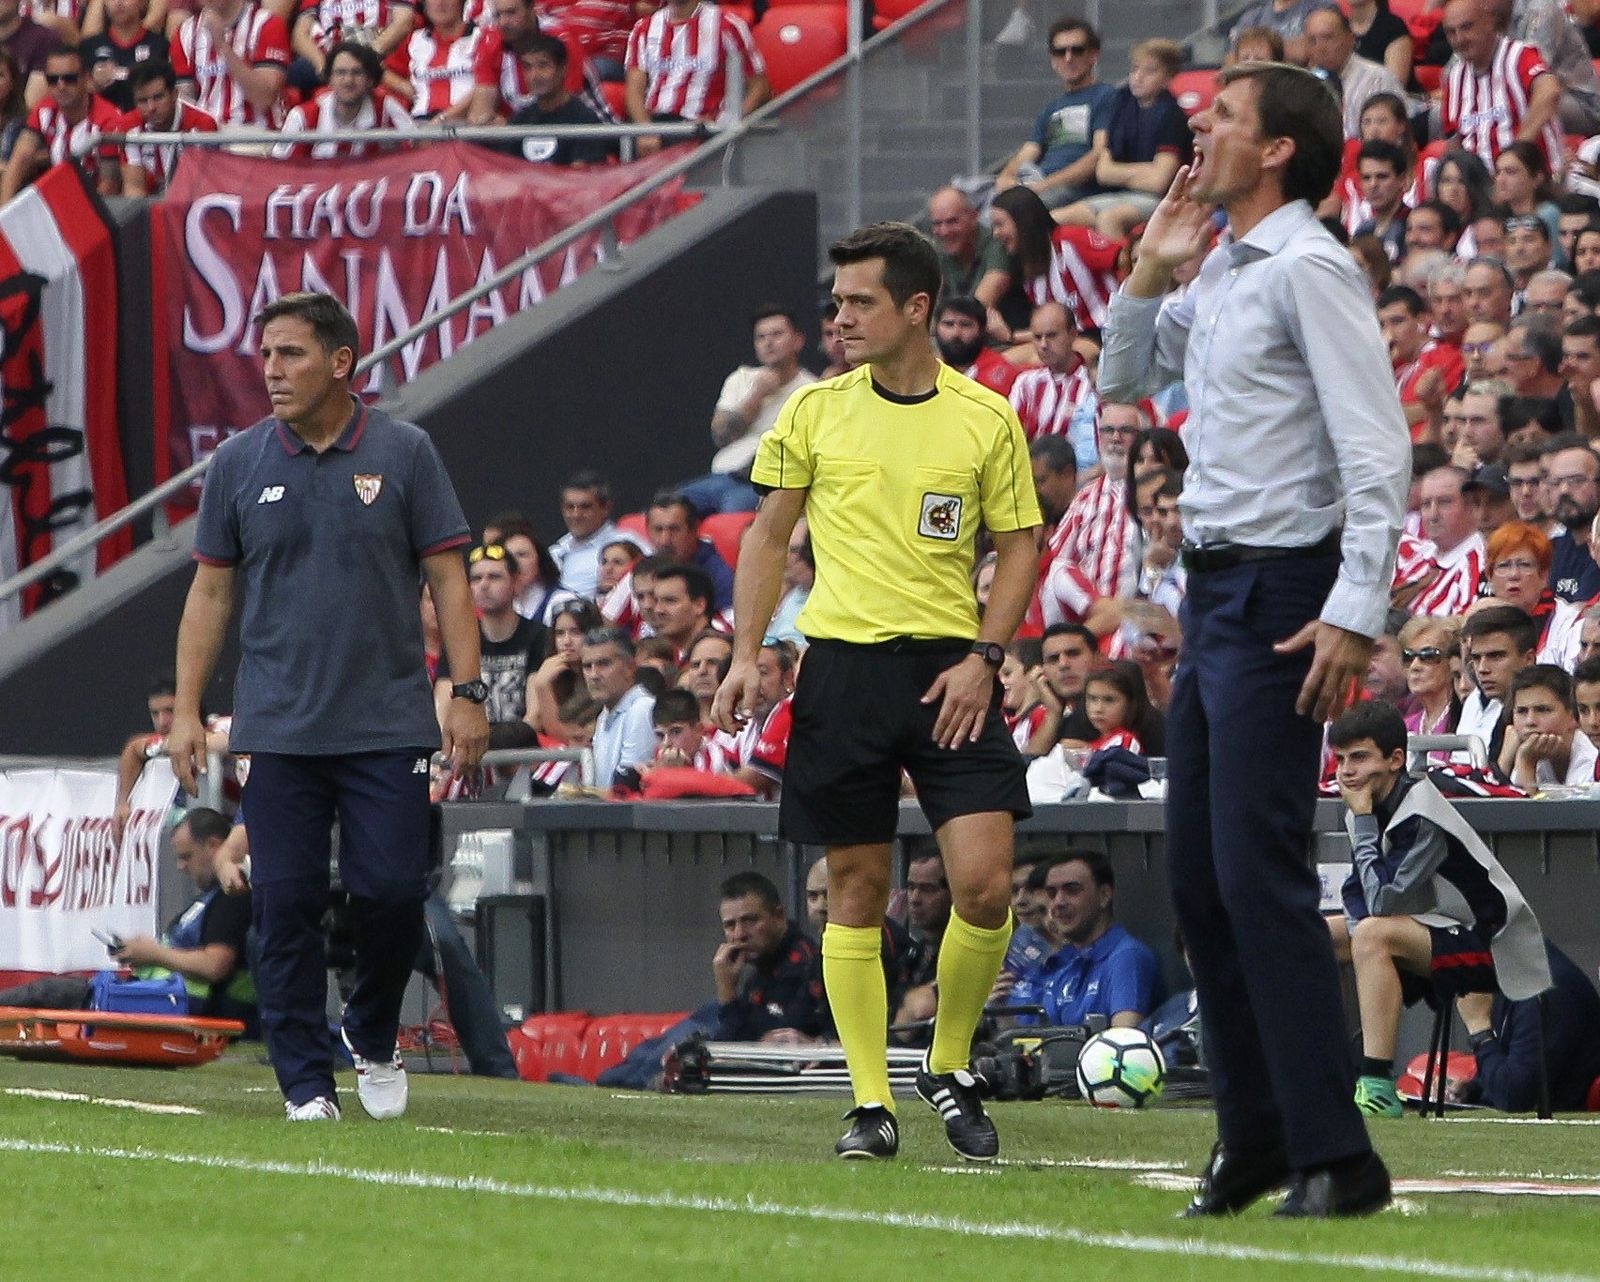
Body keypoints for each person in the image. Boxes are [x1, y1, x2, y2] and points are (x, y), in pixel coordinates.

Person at [1100, 62, 1406, 1217]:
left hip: (1285, 593)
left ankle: (1339, 1154)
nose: (1201, 127)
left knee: (1259, 875)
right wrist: (1148, 267)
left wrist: (1354, 607)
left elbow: (1375, 451)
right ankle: (1259, 1136)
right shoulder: (1225, 271)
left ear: (1277, 148)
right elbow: (1123, 384)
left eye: (1224, 115)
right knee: (1199, 880)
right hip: (1213, 592)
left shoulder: (1313, 269)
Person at [712, 221, 1041, 1163]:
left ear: (917, 308)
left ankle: (946, 1061)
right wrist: (746, 651)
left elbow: (1018, 545)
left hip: (951, 668)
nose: (841, 317)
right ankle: (869, 1100)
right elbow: (768, 537)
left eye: (860, 302)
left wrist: (986, 653)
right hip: (844, 669)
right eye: (838, 300)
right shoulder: (815, 411)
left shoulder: (985, 416)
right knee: (854, 892)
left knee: (982, 885)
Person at [168, 291, 490, 1123]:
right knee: (284, 904)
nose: (271, 371)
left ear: (342, 362)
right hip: (277, 728)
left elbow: (450, 578)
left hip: (387, 722)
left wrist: (468, 692)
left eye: (291, 355)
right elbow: (209, 592)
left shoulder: (406, 451)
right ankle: (306, 1086)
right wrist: (186, 712)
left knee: (390, 894)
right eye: (266, 355)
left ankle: (373, 1033)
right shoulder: (238, 463)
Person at [1326, 700, 1551, 1119]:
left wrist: (1361, 824)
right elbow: (1359, 896)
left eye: (1358, 757)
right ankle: (1316, 1071)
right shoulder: (1368, 804)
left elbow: (1381, 902)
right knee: (1311, 934)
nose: (1346, 771)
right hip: (1434, 929)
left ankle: (1376, 1084)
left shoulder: (1420, 811)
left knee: (1373, 933)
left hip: (1496, 944)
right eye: (1340, 759)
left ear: (1395, 760)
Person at [0, 807, 257, 1031]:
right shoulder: (211, 899)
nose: (181, 866)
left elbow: (215, 965)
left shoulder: (231, 897)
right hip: (160, 997)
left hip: (178, 1005)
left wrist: (153, 954)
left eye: (186, 856)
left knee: (48, 994)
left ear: (213, 846)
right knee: (55, 992)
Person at [592, 872, 822, 1090]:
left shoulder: (803, 965)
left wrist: (728, 993)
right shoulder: (765, 963)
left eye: (750, 921)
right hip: (723, 1019)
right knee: (646, 1053)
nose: (739, 934)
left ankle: (604, 1083)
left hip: (737, 1037)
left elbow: (745, 1048)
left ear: (779, 916)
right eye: (730, 925)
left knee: (659, 1058)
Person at [1055, 38, 1190, 242]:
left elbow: (1159, 183)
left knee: (1110, 219)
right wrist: (1147, 170)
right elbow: (1103, 172)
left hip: (1164, 201)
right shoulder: (1122, 104)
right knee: (1053, 218)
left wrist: (1124, 173)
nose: (1138, 77)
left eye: (1150, 71)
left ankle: (1126, 274)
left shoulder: (1172, 116)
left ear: (1167, 78)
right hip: (1122, 195)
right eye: (1135, 69)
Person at [1008, 851, 1162, 1029]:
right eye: (1051, 893)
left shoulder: (1126, 957)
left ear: (1104, 895)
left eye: (1072, 890)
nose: (1058, 902)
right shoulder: (1065, 966)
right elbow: (1036, 1043)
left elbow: (1123, 1041)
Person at [690, 306, 817, 517]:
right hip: (721, 476)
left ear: (798, 341)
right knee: (670, 508)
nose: (768, 342)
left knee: (731, 515)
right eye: (761, 337)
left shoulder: (813, 390)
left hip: (764, 485)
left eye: (777, 334)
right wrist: (756, 395)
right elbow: (720, 436)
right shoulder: (740, 378)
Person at [1453, 939, 1600, 1112]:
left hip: (1551, 1126)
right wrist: (1473, 1089)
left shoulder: (1544, 989)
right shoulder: (1517, 969)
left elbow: (1515, 1099)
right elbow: (1515, 1057)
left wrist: (1478, 1028)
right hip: (1515, 1117)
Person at [432, 541, 547, 751]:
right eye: (476, 578)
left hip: (522, 754)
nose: (484, 585)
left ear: (517, 583)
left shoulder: (539, 636)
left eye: (494, 577)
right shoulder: (458, 639)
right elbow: (443, 707)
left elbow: (535, 715)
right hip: (469, 752)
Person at [992, 17, 1115, 210]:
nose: (1068, 58)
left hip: (1078, 191)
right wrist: (1006, 176)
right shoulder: (1052, 108)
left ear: (1093, 55)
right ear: (1052, 60)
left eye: (1077, 50)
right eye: (1060, 52)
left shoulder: (1107, 96)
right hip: (1038, 183)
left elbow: (1098, 155)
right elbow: (1029, 151)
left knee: (1019, 210)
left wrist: (1041, 187)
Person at [622, 0, 766, 152]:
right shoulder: (643, 28)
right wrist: (646, 130)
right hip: (657, 124)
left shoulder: (728, 25)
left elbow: (760, 87)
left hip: (703, 128)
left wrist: (727, 122)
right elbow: (634, 91)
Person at [1440, 0, 1562, 173]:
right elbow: (1453, 140)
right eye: (1451, 32)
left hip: (1533, 182)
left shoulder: (1519, 55)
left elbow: (1550, 91)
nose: (1459, 39)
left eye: (1467, 27)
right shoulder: (1454, 77)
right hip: (1479, 191)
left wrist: (1514, 156)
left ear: (1489, 21)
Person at [0, 43, 119, 202]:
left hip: (102, 206)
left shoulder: (108, 119)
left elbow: (110, 185)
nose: (61, 86)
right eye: (53, 79)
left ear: (86, 78)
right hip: (60, 200)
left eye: (70, 79)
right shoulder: (45, 110)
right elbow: (20, 159)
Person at [274, 40, 413, 159]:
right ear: (329, 79)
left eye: (357, 73)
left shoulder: (386, 108)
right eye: (340, 73)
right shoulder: (302, 116)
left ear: (370, 79)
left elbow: (418, 151)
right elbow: (280, 168)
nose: (348, 81)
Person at [171, 0, 289, 127]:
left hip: (256, 134)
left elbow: (263, 99)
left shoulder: (267, 24)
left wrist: (222, 45)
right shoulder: (185, 33)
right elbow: (184, 104)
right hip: (206, 135)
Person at [926, 185, 1017, 345]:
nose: (944, 231)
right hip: (958, 348)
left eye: (952, 221)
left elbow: (973, 311)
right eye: (937, 224)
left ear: (973, 217)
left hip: (1003, 346)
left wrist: (939, 325)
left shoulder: (997, 242)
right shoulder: (936, 250)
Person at [497, 33, 606, 166]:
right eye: (528, 67)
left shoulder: (584, 120)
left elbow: (581, 177)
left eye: (543, 66)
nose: (534, 76)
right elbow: (505, 172)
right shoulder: (519, 121)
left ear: (563, 69)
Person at [1007, 301, 1097, 458]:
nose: (1043, 344)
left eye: (1051, 335)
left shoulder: (1092, 385)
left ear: (1073, 334)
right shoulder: (1025, 383)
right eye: (1037, 337)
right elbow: (1011, 438)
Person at [117, 59, 216, 195]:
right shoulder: (129, 126)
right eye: (143, 101)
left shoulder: (201, 124)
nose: (151, 107)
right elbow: (134, 188)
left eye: (158, 97)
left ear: (174, 94)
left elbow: (204, 186)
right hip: (152, 205)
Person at [1378, 285, 1462, 442]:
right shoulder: (1395, 365)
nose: (1388, 333)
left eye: (1397, 322)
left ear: (1422, 321)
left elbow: (1390, 419)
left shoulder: (1444, 356)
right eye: (1382, 325)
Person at [1305, 7, 1404, 140]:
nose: (1320, 47)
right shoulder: (1306, 82)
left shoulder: (1377, 77)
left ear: (1350, 39)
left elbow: (1398, 135)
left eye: (1328, 38)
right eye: (1312, 40)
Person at [391, 0, 498, 123]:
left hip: (464, 125)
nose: (440, 3)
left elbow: (486, 87)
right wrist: (401, 85)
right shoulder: (415, 39)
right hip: (419, 122)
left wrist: (442, 119)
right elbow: (378, 69)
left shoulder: (484, 37)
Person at [1498, 662, 1598, 786]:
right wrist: (1504, 762)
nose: (1530, 721)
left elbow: (1522, 805)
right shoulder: (1532, 751)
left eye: (1543, 710)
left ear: (1573, 716)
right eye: (1522, 711)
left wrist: (1526, 764)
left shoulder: (1592, 759)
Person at [1460, 603, 1539, 755]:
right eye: (1476, 658)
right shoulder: (1502, 712)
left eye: (1496, 656)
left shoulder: (1543, 715)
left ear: (1529, 659)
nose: (1482, 669)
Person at [581, 625, 655, 786]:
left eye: (603, 664)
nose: (594, 675)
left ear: (630, 667)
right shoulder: (604, 715)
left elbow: (628, 786)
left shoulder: (642, 709)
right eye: (587, 666)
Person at [1409, 465, 1487, 615]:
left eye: (1444, 502)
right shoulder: (1413, 555)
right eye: (1426, 504)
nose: (1433, 514)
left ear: (1471, 505)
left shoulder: (1480, 565)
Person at [647, 490, 734, 610]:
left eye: (674, 529)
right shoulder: (642, 570)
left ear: (694, 530)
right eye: (658, 529)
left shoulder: (720, 578)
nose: (665, 541)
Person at [291, 0, 413, 83]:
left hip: (378, 51)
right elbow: (299, 35)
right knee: (296, 71)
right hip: (331, 57)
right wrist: (322, 65)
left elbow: (403, 23)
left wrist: (368, 56)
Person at [82, 0, 166, 112]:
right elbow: (75, 91)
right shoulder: (89, 47)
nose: (119, 2)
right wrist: (94, 85)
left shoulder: (160, 45)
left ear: (142, 3)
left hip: (146, 123)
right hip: (102, 125)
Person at [549, 470, 619, 599]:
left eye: (585, 507)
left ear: (606, 508)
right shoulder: (555, 551)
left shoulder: (625, 545)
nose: (576, 515)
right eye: (570, 507)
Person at [934, 294, 1018, 398]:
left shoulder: (999, 371)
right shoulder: (930, 370)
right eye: (948, 324)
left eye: (965, 325)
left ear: (982, 330)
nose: (956, 333)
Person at [1398, 614, 1462, 740]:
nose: (1414, 666)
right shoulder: (1405, 726)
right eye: (1408, 657)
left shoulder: (1464, 720)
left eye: (1429, 655)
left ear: (1452, 662)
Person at [1228, 0, 1338, 66]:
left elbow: (1312, 49)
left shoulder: (1321, 7)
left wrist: (1259, 51)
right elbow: (1231, 61)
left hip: (1303, 88)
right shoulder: (1252, 17)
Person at [648, 561, 716, 660]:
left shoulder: (717, 656)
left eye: (670, 601)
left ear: (699, 605)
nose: (658, 610)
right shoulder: (672, 657)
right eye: (656, 601)